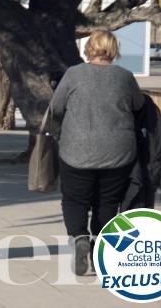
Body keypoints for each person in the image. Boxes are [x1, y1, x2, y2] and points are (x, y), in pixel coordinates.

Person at [51, 30, 145, 276]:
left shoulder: (73, 74)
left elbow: (56, 107)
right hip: (118, 151)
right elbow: (138, 105)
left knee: (75, 198)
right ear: (114, 49)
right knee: (108, 202)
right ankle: (98, 249)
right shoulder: (125, 76)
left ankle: (79, 236)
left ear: (89, 48)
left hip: (76, 150)